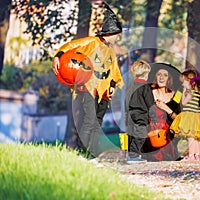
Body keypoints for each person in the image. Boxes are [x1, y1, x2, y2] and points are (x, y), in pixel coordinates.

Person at [52, 2, 123, 159]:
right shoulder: (91, 42)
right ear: (111, 33)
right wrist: (58, 56)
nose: (118, 38)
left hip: (104, 92)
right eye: (118, 35)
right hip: (89, 88)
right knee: (89, 120)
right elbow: (70, 46)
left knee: (97, 122)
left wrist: (112, 86)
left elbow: (113, 71)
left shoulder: (111, 51)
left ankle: (91, 154)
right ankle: (82, 152)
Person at [170, 69, 200, 161]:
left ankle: (191, 156)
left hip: (189, 118)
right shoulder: (199, 94)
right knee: (194, 138)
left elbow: (183, 103)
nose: (182, 85)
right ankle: (197, 155)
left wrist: (184, 92)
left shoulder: (189, 93)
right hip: (196, 117)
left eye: (184, 83)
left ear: (191, 83)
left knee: (190, 138)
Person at [142, 63, 181, 161]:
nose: (161, 77)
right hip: (150, 131)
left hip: (168, 133)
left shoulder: (175, 96)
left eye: (165, 75)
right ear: (155, 77)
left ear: (169, 78)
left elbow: (178, 119)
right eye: (159, 74)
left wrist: (165, 108)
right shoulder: (149, 93)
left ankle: (167, 153)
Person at [126, 60, 157, 163]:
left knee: (131, 134)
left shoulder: (130, 86)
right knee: (141, 134)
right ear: (145, 74)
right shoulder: (145, 87)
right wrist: (154, 117)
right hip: (141, 115)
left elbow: (126, 101)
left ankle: (131, 154)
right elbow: (150, 103)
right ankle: (133, 156)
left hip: (130, 114)